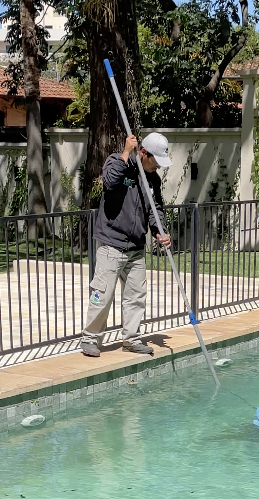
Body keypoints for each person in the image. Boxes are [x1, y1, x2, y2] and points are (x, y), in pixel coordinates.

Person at [80, 132, 172, 357]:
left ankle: (131, 339)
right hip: (111, 243)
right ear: (143, 153)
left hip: (136, 247)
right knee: (102, 294)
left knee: (136, 296)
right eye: (156, 161)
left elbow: (155, 209)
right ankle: (90, 338)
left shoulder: (153, 180)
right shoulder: (117, 162)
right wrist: (125, 152)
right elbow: (110, 182)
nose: (158, 166)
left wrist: (160, 230)